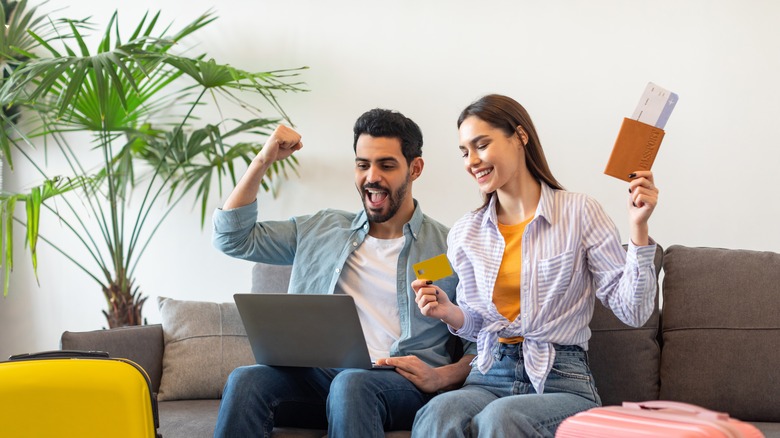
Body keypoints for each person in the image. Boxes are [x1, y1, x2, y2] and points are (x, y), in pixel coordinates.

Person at [211, 108, 476, 438]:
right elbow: (231, 237)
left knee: (351, 384)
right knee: (245, 379)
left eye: (387, 165)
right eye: (363, 165)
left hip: (402, 384)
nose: (371, 177)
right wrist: (263, 160)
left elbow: (483, 344)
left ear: (415, 168)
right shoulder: (321, 228)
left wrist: (443, 376)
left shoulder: (450, 248)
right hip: (320, 378)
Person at [411, 94, 660, 437]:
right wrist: (448, 311)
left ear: (520, 136)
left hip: (563, 380)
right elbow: (478, 324)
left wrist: (638, 227)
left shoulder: (579, 213)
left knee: (501, 419)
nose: (472, 161)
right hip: (489, 374)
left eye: (481, 145)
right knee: (439, 412)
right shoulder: (465, 233)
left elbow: (634, 311)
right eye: (464, 151)